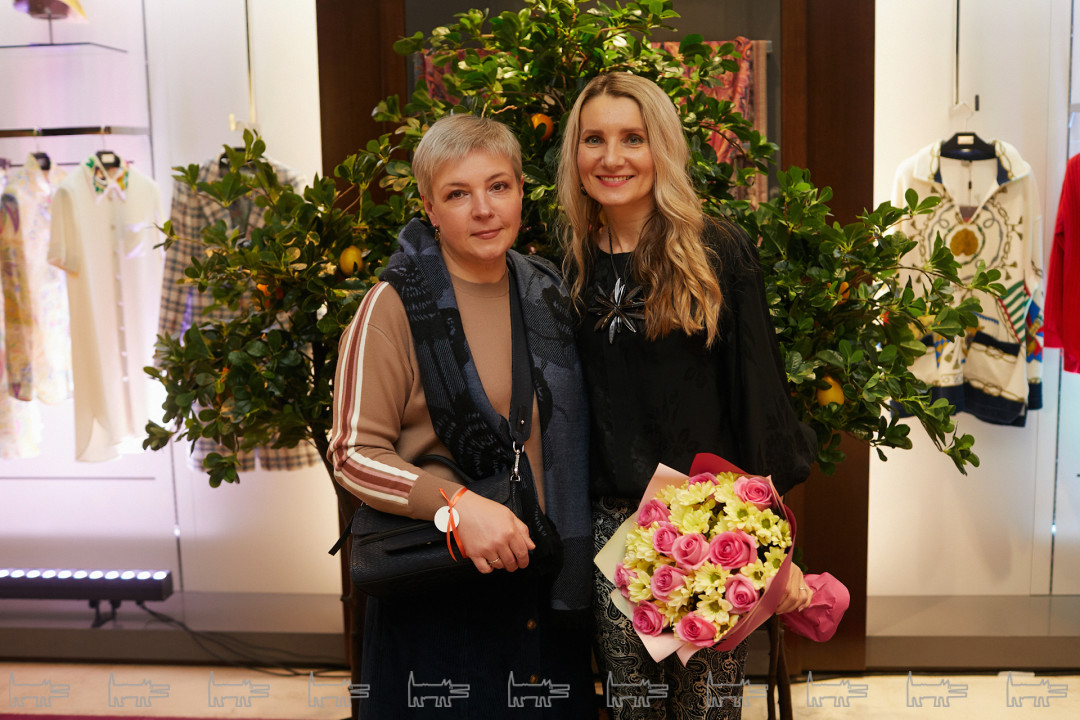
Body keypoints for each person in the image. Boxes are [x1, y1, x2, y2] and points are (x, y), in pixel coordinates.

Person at [557, 72, 819, 718]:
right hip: (611, 532)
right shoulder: (567, 265)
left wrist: (774, 550)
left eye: (632, 138)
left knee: (709, 711)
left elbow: (759, 400)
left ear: (663, 147)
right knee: (633, 710)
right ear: (574, 153)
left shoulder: (717, 251)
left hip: (712, 528)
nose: (612, 158)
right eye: (594, 139)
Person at [328, 113, 595, 718]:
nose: (483, 209)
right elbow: (351, 453)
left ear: (521, 190)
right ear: (429, 207)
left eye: (498, 186)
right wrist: (457, 506)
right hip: (439, 596)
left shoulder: (549, 289)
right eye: (457, 193)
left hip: (547, 592)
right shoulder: (392, 306)